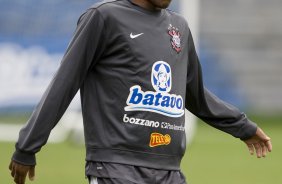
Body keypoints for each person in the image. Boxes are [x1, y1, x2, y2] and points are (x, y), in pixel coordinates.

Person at [9, 0, 272, 184]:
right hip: (116, 167)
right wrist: (27, 147)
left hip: (169, 169)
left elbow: (193, 94)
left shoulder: (178, 27)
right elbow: (64, 84)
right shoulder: (103, 17)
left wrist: (242, 126)